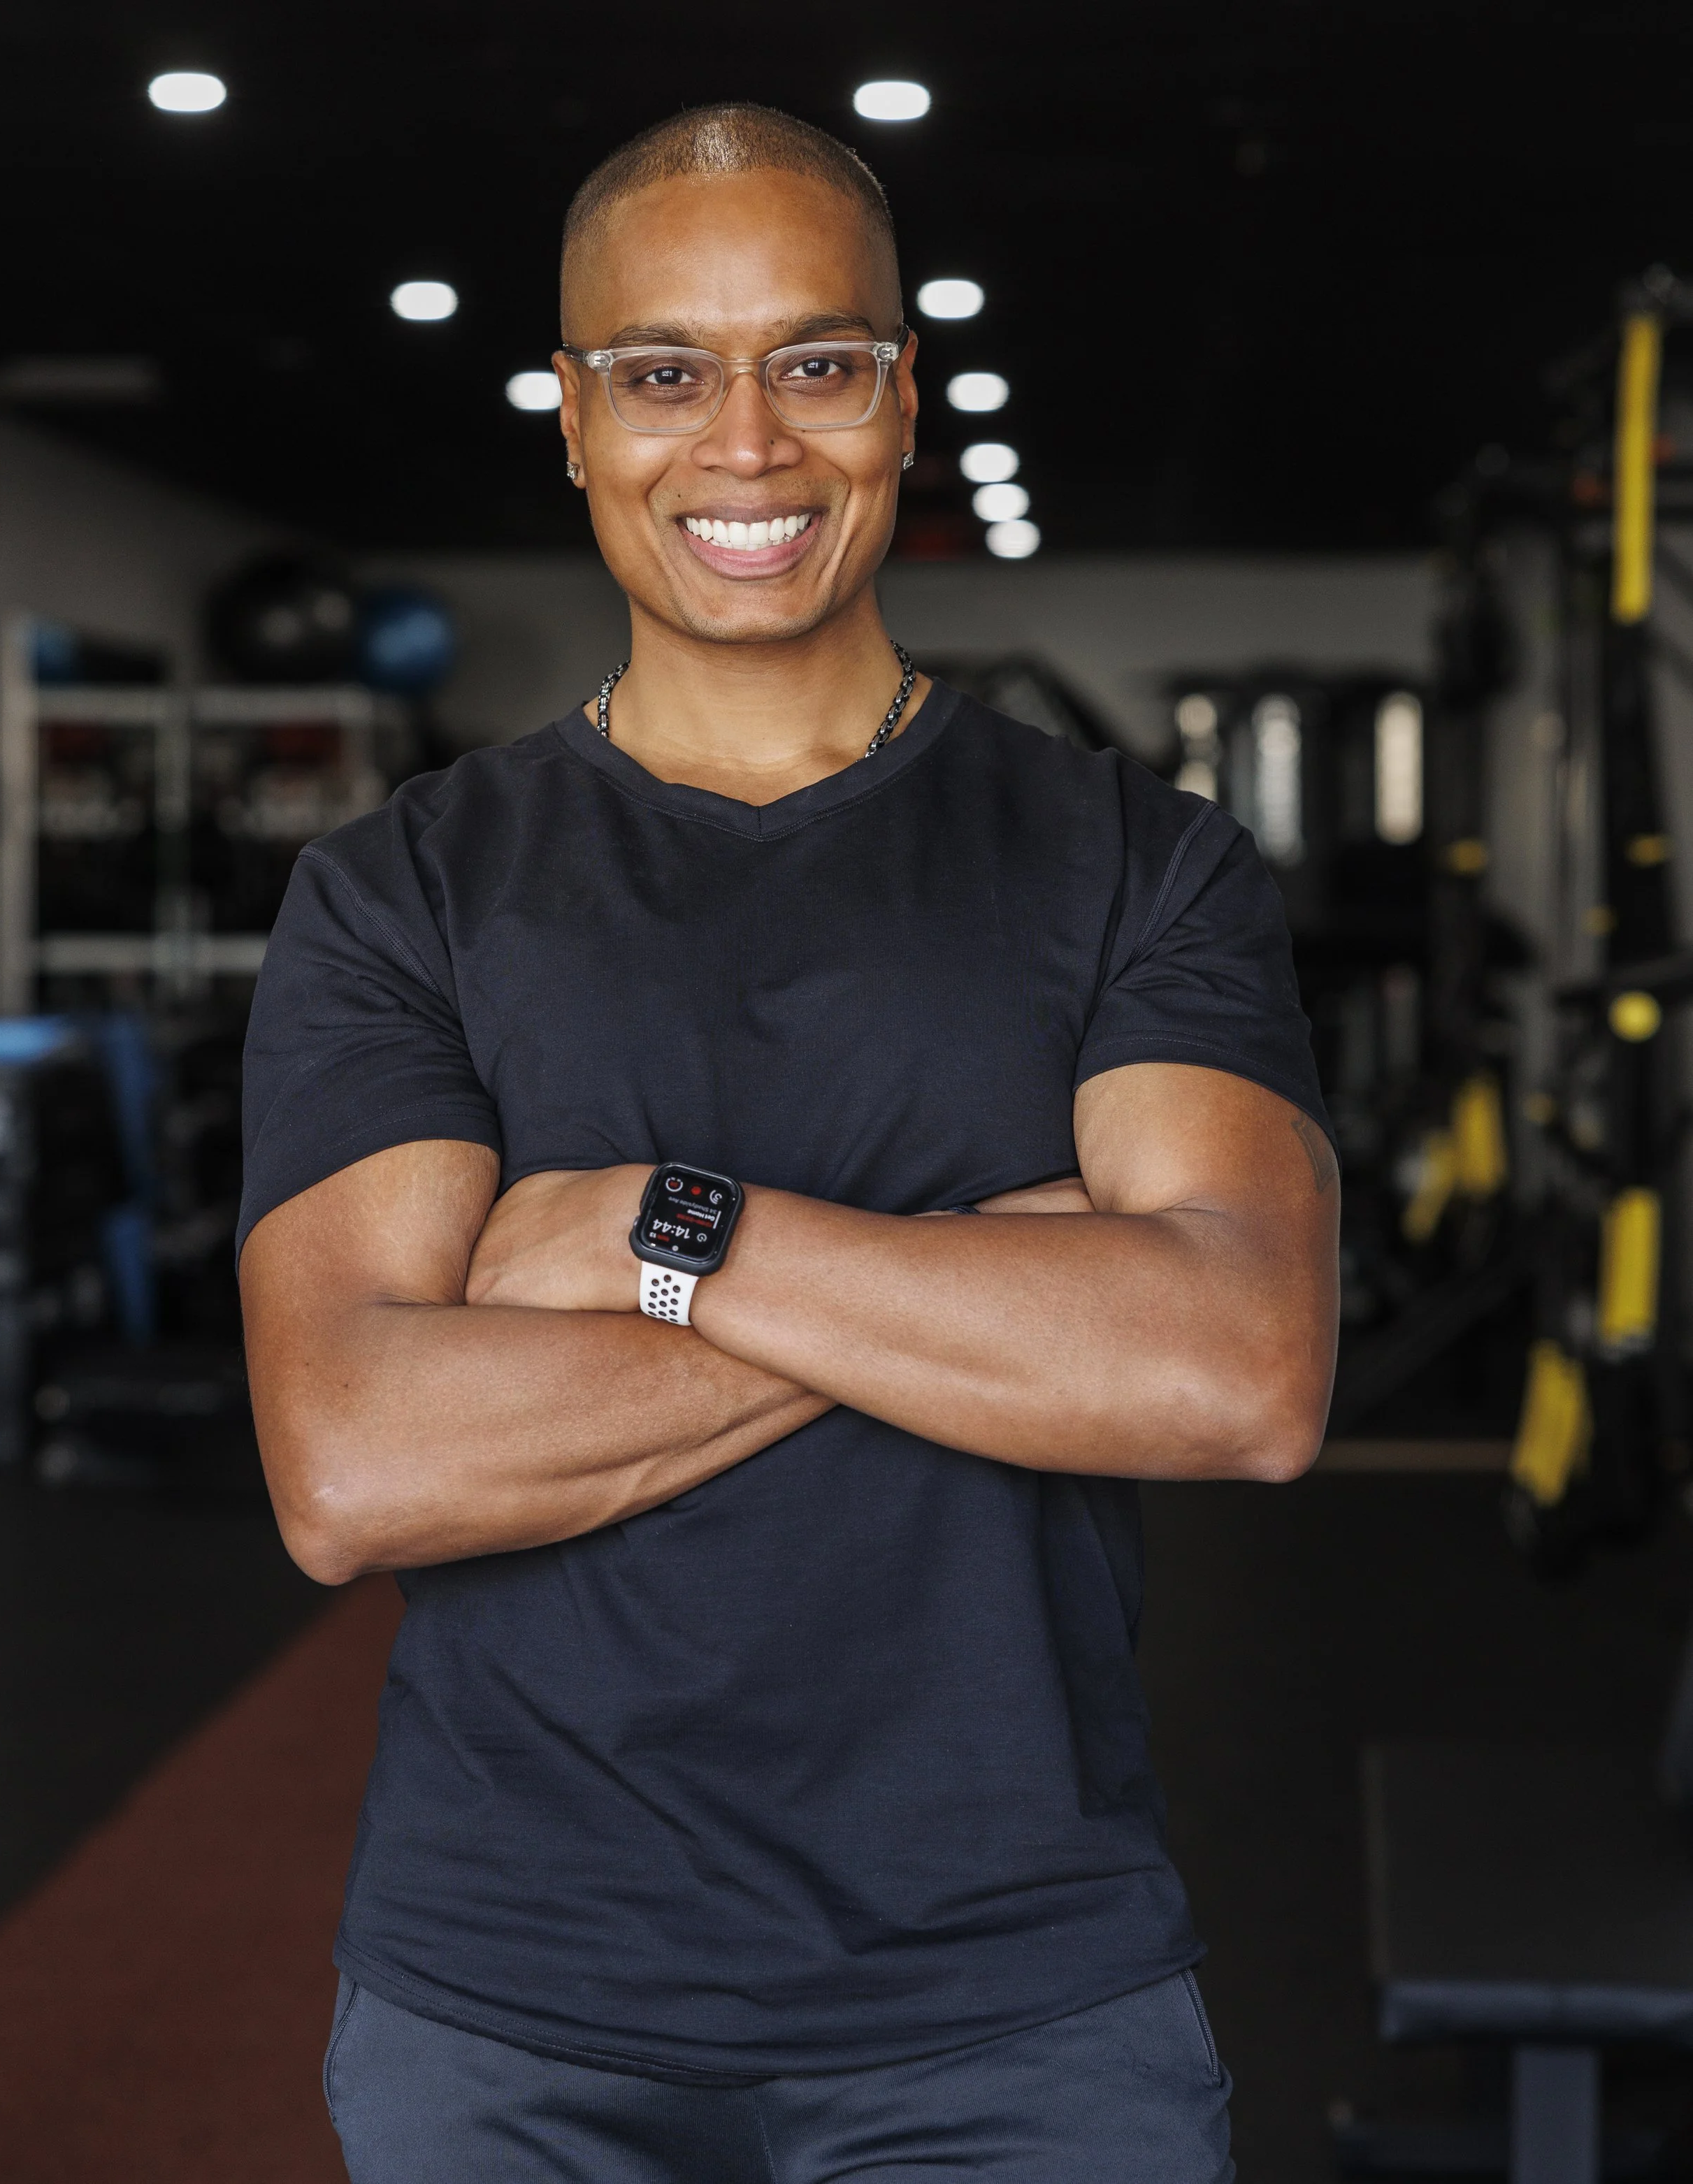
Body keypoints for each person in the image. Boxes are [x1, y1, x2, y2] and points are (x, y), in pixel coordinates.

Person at [238, 101, 1339, 2184]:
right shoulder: (403, 894)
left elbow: (1232, 1370)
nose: (742, 441)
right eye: (661, 371)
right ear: (570, 418)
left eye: (813, 362)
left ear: (898, 401)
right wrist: (992, 1271)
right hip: (509, 2013)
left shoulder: (1134, 861)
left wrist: (667, 1228)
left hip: (1020, 2009)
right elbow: (356, 1457)